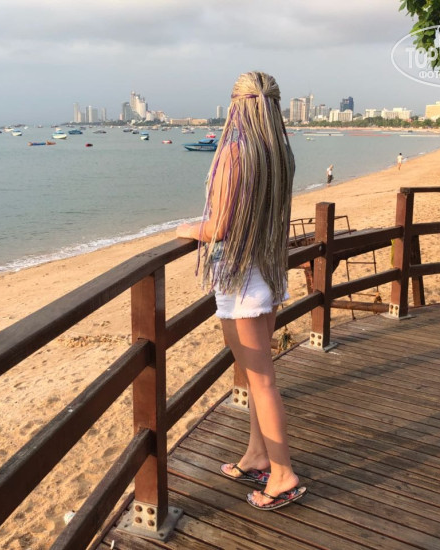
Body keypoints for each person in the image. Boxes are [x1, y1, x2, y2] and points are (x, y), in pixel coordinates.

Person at [176, 71, 306, 511]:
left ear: (237, 106)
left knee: (262, 379)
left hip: (241, 277)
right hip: (266, 269)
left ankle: (283, 474)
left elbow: (219, 226)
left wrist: (183, 228)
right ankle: (256, 455)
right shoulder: (279, 153)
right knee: (256, 375)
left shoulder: (235, 152)